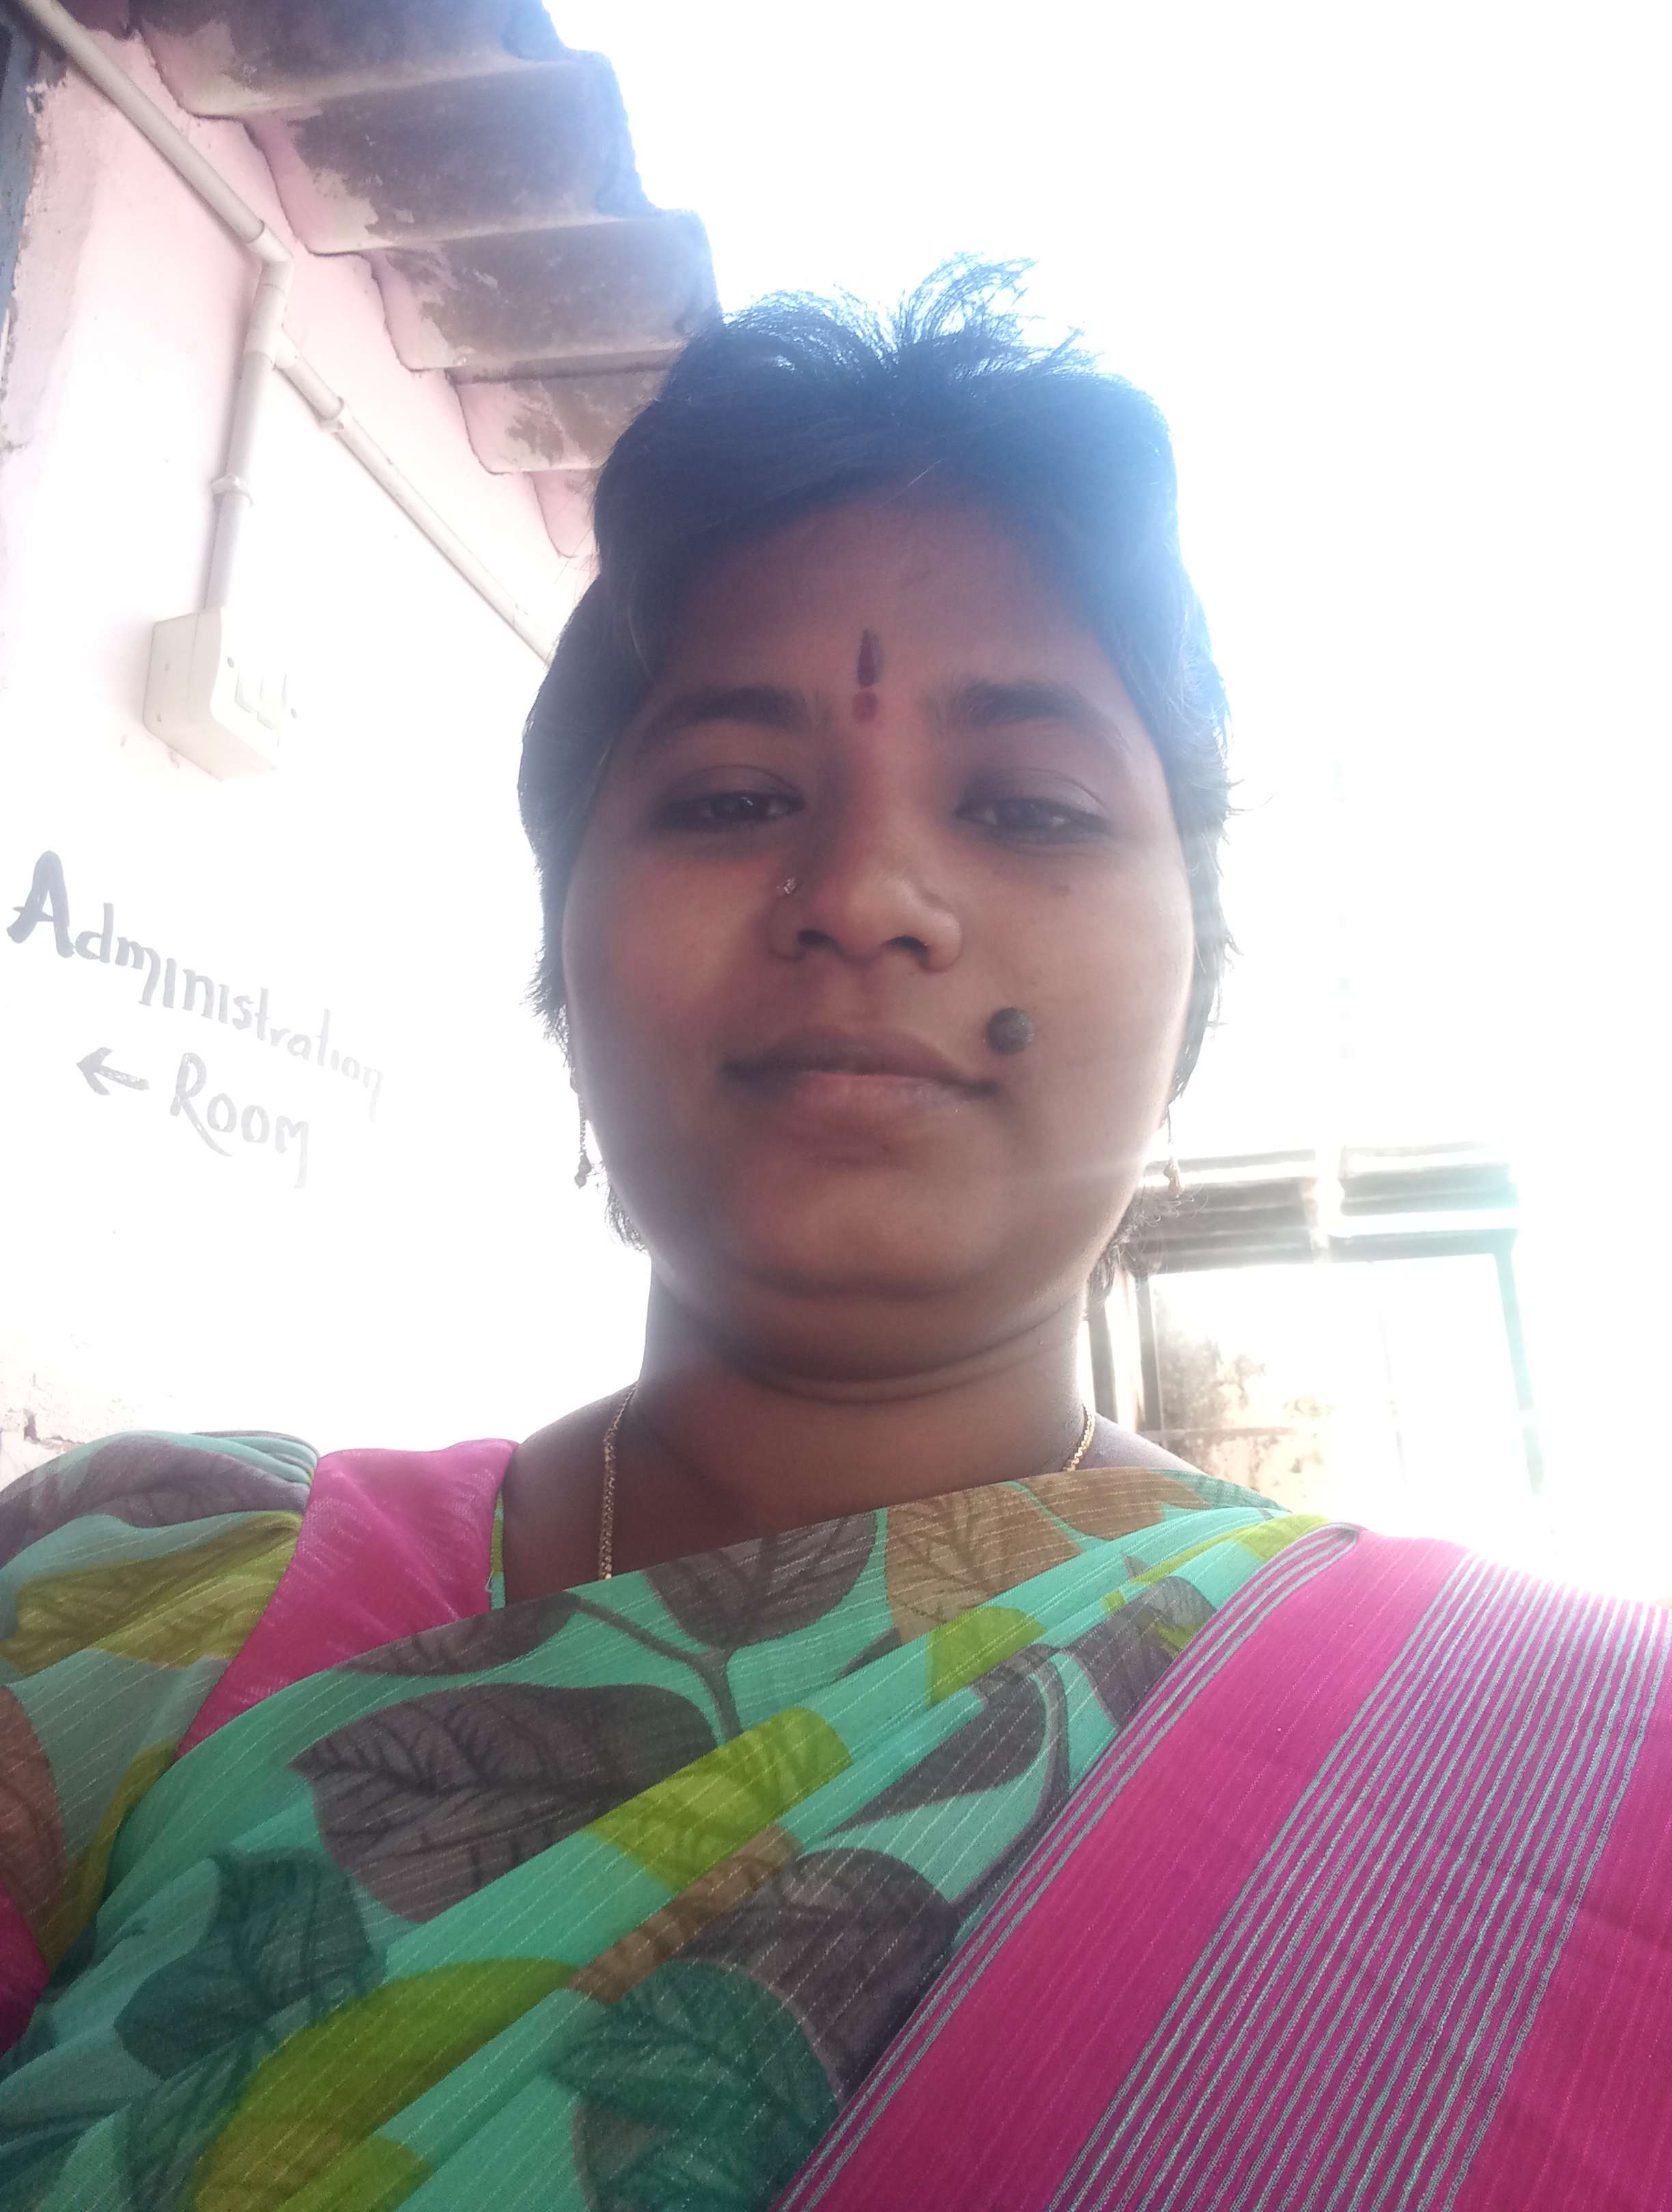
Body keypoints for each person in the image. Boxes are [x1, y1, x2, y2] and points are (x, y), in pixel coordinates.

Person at [0, 266, 1665, 2212]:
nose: (867, 893)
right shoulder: (134, 1598)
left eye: (1028, 808)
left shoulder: (1568, 1792)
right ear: (563, 951)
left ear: (1193, 974)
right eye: (732, 796)